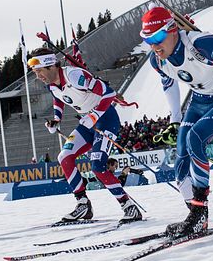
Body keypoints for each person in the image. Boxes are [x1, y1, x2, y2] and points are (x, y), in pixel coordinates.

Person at [140, 6, 213, 237]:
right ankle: (196, 215)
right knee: (181, 155)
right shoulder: (157, 61)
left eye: (157, 38)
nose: (154, 46)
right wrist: (175, 121)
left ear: (172, 29)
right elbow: (170, 85)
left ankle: (198, 211)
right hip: (198, 101)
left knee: (196, 138)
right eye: (147, 40)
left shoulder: (203, 45)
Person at [27, 47, 142, 223]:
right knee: (64, 156)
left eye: (39, 71)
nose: (38, 76)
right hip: (88, 123)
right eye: (35, 72)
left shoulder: (74, 76)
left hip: (105, 119)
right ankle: (83, 204)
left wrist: (94, 115)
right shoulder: (51, 85)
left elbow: (109, 93)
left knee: (97, 166)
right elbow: (59, 98)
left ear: (50, 65)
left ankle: (129, 207)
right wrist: (56, 120)